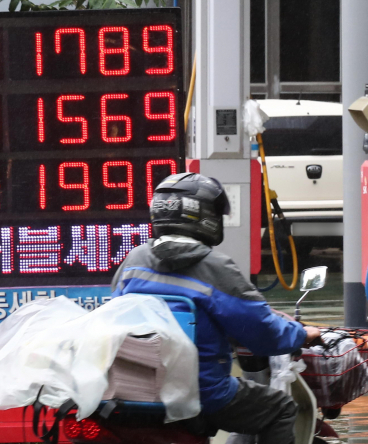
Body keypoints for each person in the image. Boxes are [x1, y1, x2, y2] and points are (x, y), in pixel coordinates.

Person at [111, 172, 321, 444]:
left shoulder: (133, 261)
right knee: (280, 408)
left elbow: (114, 316)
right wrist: (302, 334)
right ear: (206, 217)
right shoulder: (215, 268)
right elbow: (263, 333)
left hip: (133, 390)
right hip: (201, 393)